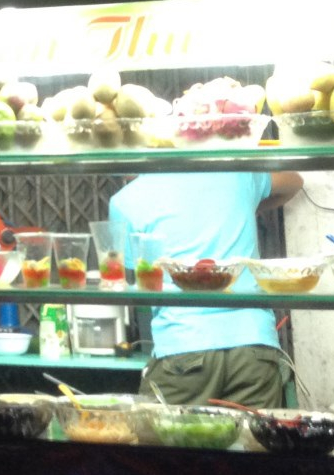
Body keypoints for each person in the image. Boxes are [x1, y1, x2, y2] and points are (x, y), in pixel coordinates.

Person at [108, 171, 302, 408]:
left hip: (182, 343)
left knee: (159, 432)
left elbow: (141, 274)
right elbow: (294, 182)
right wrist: (251, 204)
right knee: (252, 432)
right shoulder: (237, 176)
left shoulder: (124, 201)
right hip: (255, 344)